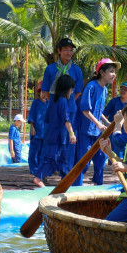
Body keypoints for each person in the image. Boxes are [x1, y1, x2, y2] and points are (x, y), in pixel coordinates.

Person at [41, 38, 84, 173]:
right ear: (59, 51)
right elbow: (45, 91)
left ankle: (65, 173)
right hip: (53, 110)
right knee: (51, 140)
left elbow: (78, 92)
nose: (68, 52)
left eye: (71, 50)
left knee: (67, 141)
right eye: (65, 49)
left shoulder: (77, 70)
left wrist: (67, 101)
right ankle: (46, 172)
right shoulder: (50, 69)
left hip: (70, 110)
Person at [76, 58, 117, 186]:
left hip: (97, 132)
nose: (114, 74)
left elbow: (98, 112)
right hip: (86, 131)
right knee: (84, 162)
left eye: (114, 72)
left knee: (100, 159)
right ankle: (76, 187)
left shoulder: (104, 90)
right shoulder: (91, 86)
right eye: (111, 71)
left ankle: (98, 184)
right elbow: (85, 110)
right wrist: (98, 124)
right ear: (102, 72)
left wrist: (107, 122)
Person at [36, 76, 76, 185]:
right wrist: (71, 133)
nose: (71, 92)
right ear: (66, 89)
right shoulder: (62, 101)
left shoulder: (53, 100)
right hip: (58, 136)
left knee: (64, 157)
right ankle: (39, 177)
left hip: (52, 134)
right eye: (71, 89)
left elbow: (47, 118)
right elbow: (66, 118)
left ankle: (65, 179)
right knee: (52, 158)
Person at [28, 84, 47, 187]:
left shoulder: (49, 104)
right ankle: (34, 172)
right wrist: (32, 127)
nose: (43, 94)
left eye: (45, 92)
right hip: (37, 133)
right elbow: (31, 116)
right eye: (41, 92)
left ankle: (41, 174)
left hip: (46, 134)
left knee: (43, 154)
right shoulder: (36, 103)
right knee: (34, 153)